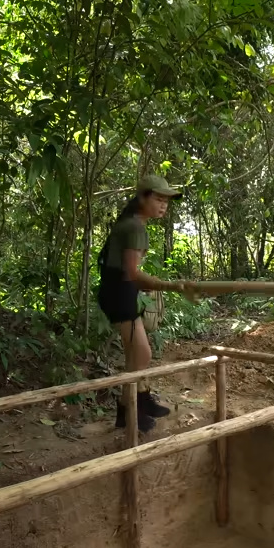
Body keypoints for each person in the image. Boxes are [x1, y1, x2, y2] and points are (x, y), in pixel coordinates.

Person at [96, 174, 195, 433]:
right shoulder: (134, 228)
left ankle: (141, 400)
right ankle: (127, 410)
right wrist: (169, 285)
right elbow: (132, 273)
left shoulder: (132, 223)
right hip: (119, 293)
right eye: (159, 199)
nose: (164, 205)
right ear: (142, 198)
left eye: (166, 201)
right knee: (142, 354)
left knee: (135, 353)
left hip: (118, 291)